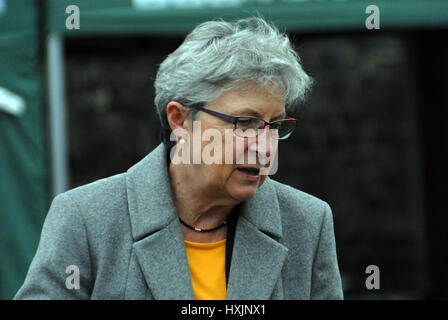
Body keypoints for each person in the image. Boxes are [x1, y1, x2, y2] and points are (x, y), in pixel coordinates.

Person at [15, 16, 343, 300]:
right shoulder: (86, 219)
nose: (266, 147)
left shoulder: (307, 223)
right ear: (180, 120)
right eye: (246, 123)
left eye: (274, 126)